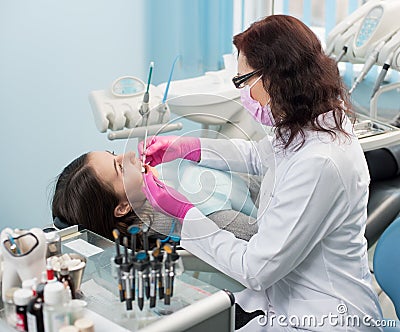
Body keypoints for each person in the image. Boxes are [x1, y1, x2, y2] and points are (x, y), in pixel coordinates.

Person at [139, 15, 383, 331]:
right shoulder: (310, 125)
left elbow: (256, 268)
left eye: (243, 82)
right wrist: (186, 147)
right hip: (285, 304)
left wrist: (182, 217)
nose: (242, 93)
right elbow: (260, 156)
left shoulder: (321, 160)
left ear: (276, 77)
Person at [51, 150, 260, 247]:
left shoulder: (163, 177)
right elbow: (267, 237)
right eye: (121, 167)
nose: (130, 155)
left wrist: (196, 149)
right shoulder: (191, 218)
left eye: (114, 153)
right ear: (123, 207)